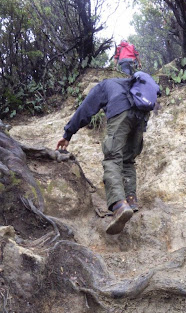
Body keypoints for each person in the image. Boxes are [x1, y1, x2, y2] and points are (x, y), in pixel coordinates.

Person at [56, 72, 160, 235]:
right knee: (128, 160)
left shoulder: (103, 86)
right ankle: (131, 200)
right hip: (142, 117)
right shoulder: (131, 85)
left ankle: (119, 205)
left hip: (121, 113)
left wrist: (68, 134)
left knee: (112, 158)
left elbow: (85, 110)